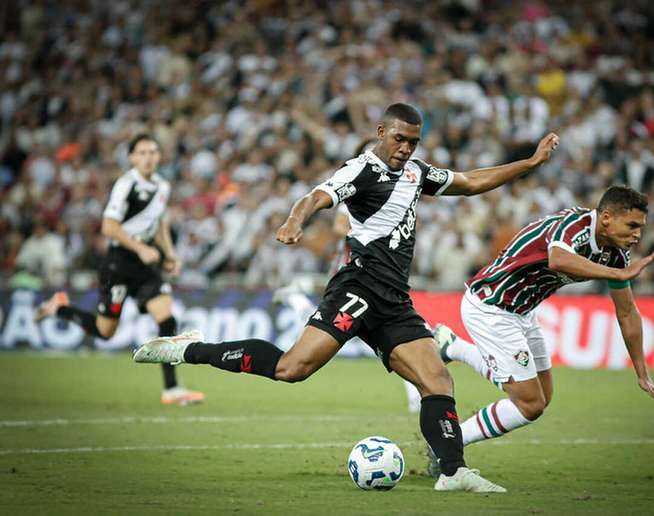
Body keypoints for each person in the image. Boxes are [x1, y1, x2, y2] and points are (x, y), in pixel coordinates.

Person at [133, 103, 559, 492]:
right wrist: (293, 221)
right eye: (399, 139)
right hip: (356, 288)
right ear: (381, 132)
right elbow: (315, 197)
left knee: (437, 380)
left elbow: (469, 182)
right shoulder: (361, 170)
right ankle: (191, 349)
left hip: (393, 300)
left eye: (413, 141)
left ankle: (453, 472)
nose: (406, 148)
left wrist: (530, 163)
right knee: (292, 368)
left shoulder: (417, 173)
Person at [427, 185, 654, 476]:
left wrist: (642, 372)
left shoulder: (615, 254)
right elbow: (558, 258)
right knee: (529, 404)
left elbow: (627, 312)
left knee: (543, 396)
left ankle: (452, 347)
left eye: (641, 228)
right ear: (606, 218)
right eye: (632, 225)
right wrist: (619, 274)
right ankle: (446, 445)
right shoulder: (574, 227)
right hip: (491, 306)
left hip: (522, 311)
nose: (637, 235)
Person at [35, 134, 204, 406]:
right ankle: (59, 309)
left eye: (153, 152)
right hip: (120, 263)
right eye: (142, 152)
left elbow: (158, 222)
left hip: (146, 264)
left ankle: (171, 388)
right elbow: (108, 227)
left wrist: (170, 253)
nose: (149, 157)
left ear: (159, 156)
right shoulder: (126, 185)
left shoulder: (162, 185)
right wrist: (140, 249)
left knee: (167, 318)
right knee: (105, 332)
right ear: (132, 158)